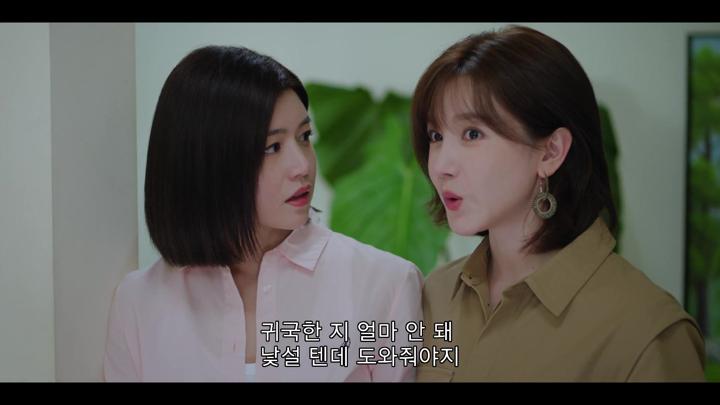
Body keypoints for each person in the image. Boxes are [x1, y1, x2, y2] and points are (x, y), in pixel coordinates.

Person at [103, 45, 422, 382]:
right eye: (272, 147)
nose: (302, 166)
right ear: (207, 164)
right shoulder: (139, 303)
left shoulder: (385, 285)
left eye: (304, 136)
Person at [410, 26, 705, 381]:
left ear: (551, 152)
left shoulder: (646, 333)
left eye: (473, 134)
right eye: (436, 136)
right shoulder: (434, 294)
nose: (441, 165)